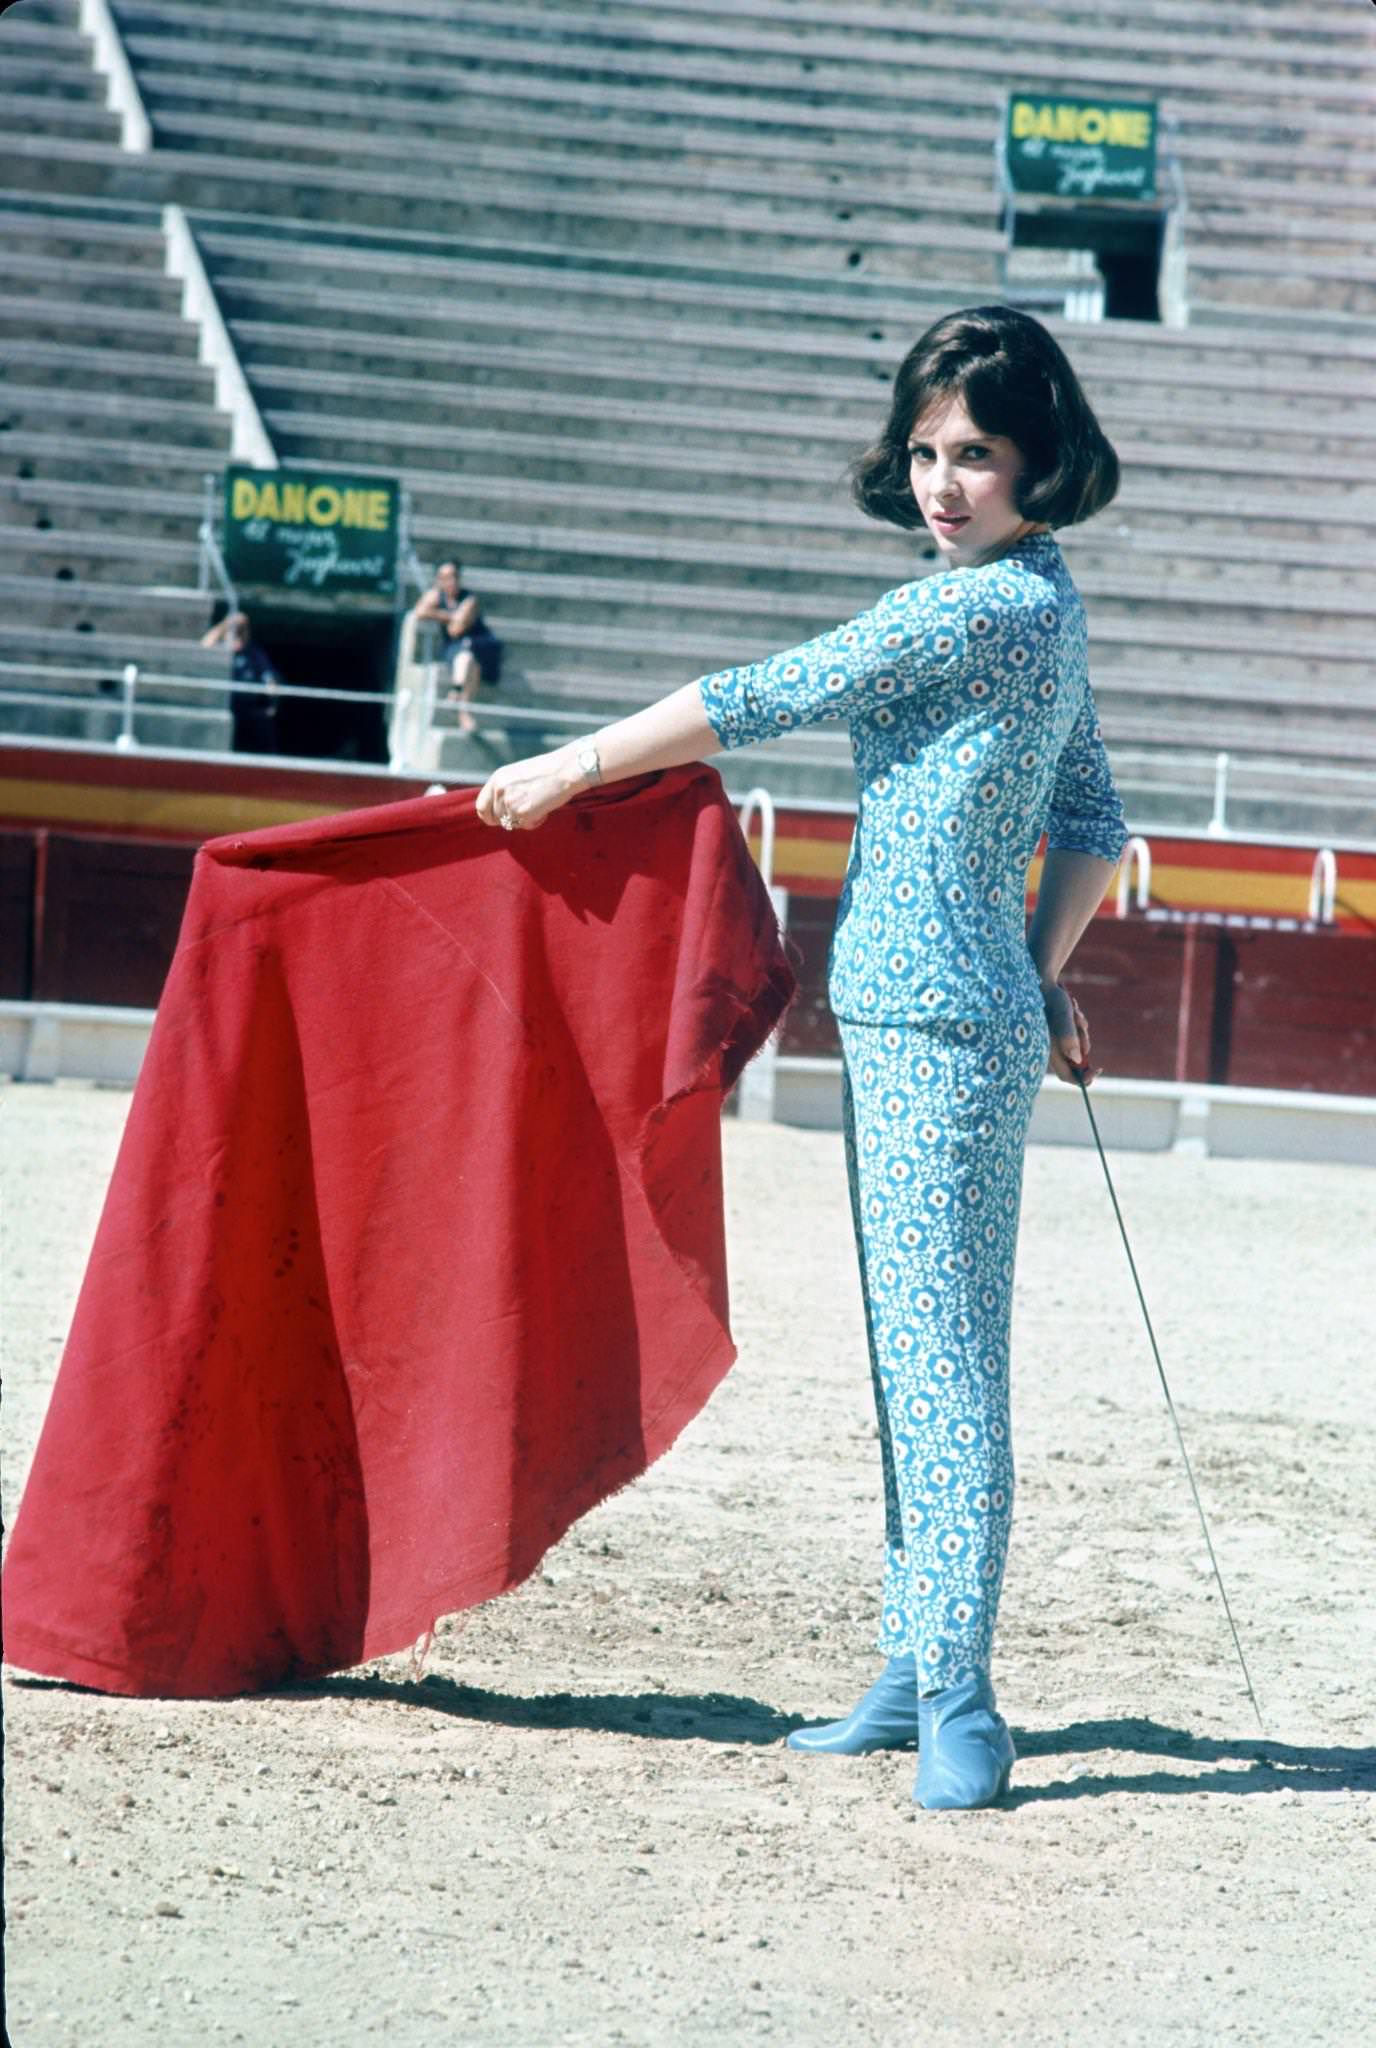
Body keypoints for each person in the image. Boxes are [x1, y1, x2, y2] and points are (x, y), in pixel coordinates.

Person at [475, 305, 1129, 1813]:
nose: (942, 482)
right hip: (943, 1016)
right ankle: (915, 1664)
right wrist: (1039, 982)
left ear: (1043, 458)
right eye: (924, 452)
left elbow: (759, 695)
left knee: (944, 1365)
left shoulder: (977, 609)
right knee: (920, 1356)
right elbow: (1095, 821)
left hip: (928, 1026)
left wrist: (572, 762)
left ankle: (962, 1695)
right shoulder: (1042, 601)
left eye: (975, 453)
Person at [414, 558, 502, 737]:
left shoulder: (469, 599)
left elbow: (456, 629)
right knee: (467, 660)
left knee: (470, 660)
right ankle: (462, 708)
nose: (450, 581)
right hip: (456, 648)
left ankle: (457, 695)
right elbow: (420, 611)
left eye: (453, 576)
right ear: (438, 579)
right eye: (445, 577)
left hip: (480, 646)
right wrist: (449, 615)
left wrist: (440, 615)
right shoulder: (436, 595)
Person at [199, 610, 283, 755]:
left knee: (262, 723)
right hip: (221, 704)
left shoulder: (254, 653)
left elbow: (269, 678)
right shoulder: (218, 648)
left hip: (247, 707)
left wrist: (272, 702)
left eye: (241, 631)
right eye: (234, 630)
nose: (238, 635)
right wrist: (223, 627)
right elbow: (203, 646)